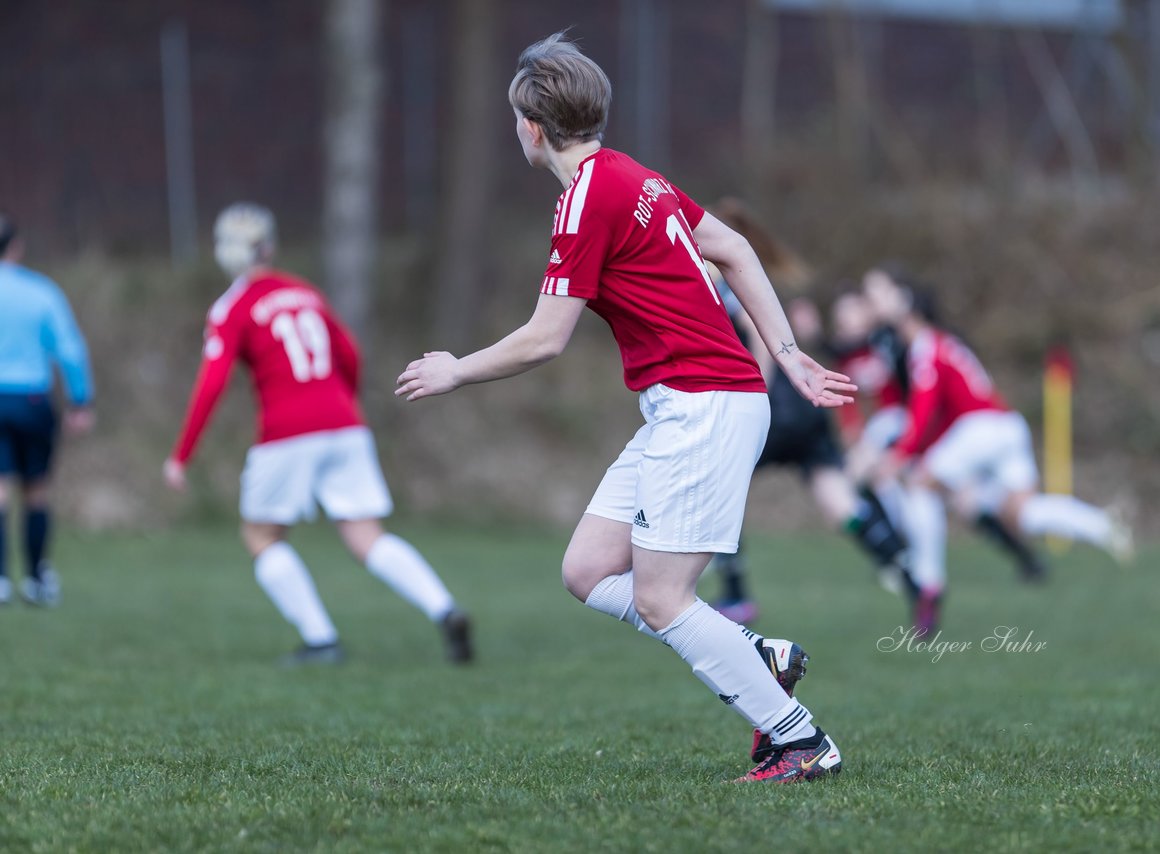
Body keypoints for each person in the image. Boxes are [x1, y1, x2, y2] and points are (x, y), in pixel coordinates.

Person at [395, 33, 852, 783]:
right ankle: (754, 656)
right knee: (586, 570)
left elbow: (545, 339)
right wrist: (787, 349)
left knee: (664, 599)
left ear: (532, 127)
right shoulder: (632, 175)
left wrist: (455, 371)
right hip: (690, 404)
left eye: (516, 117)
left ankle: (801, 741)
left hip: (704, 405)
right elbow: (733, 246)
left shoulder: (583, 202)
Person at [164, 203, 472, 666]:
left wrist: (181, 456)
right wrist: (342, 404)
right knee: (367, 536)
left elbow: (212, 382)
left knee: (261, 536)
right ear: (268, 247)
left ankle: (321, 639)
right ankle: (444, 608)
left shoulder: (233, 307)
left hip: (286, 433)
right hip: (345, 425)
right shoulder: (305, 293)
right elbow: (350, 354)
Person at [868, 274, 1133, 636]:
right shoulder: (945, 343)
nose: (879, 302)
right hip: (1007, 426)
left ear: (908, 305)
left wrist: (900, 453)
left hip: (982, 429)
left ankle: (928, 586)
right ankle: (1102, 526)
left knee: (919, 484)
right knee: (1020, 515)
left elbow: (923, 408)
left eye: (886, 294)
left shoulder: (926, 346)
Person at [703, 201, 911, 623]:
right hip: (804, 408)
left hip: (773, 408)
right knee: (840, 503)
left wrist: (755, 390)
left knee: (718, 487)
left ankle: (736, 592)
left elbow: (759, 339)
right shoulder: (747, 272)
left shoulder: (724, 278)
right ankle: (908, 571)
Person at [835, 269, 1047, 585]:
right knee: (954, 498)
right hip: (922, 425)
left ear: (902, 297)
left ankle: (905, 560)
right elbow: (844, 356)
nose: (868, 302)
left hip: (932, 426)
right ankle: (902, 555)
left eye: (874, 293)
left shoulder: (914, 339)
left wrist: (904, 451)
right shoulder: (883, 338)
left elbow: (925, 396)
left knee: (941, 493)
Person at [0, 214, 96, 606]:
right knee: (36, 490)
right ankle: (38, 577)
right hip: (32, 400)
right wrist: (81, 399)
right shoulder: (41, 292)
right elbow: (70, 350)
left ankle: (1, 579)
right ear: (16, 247)